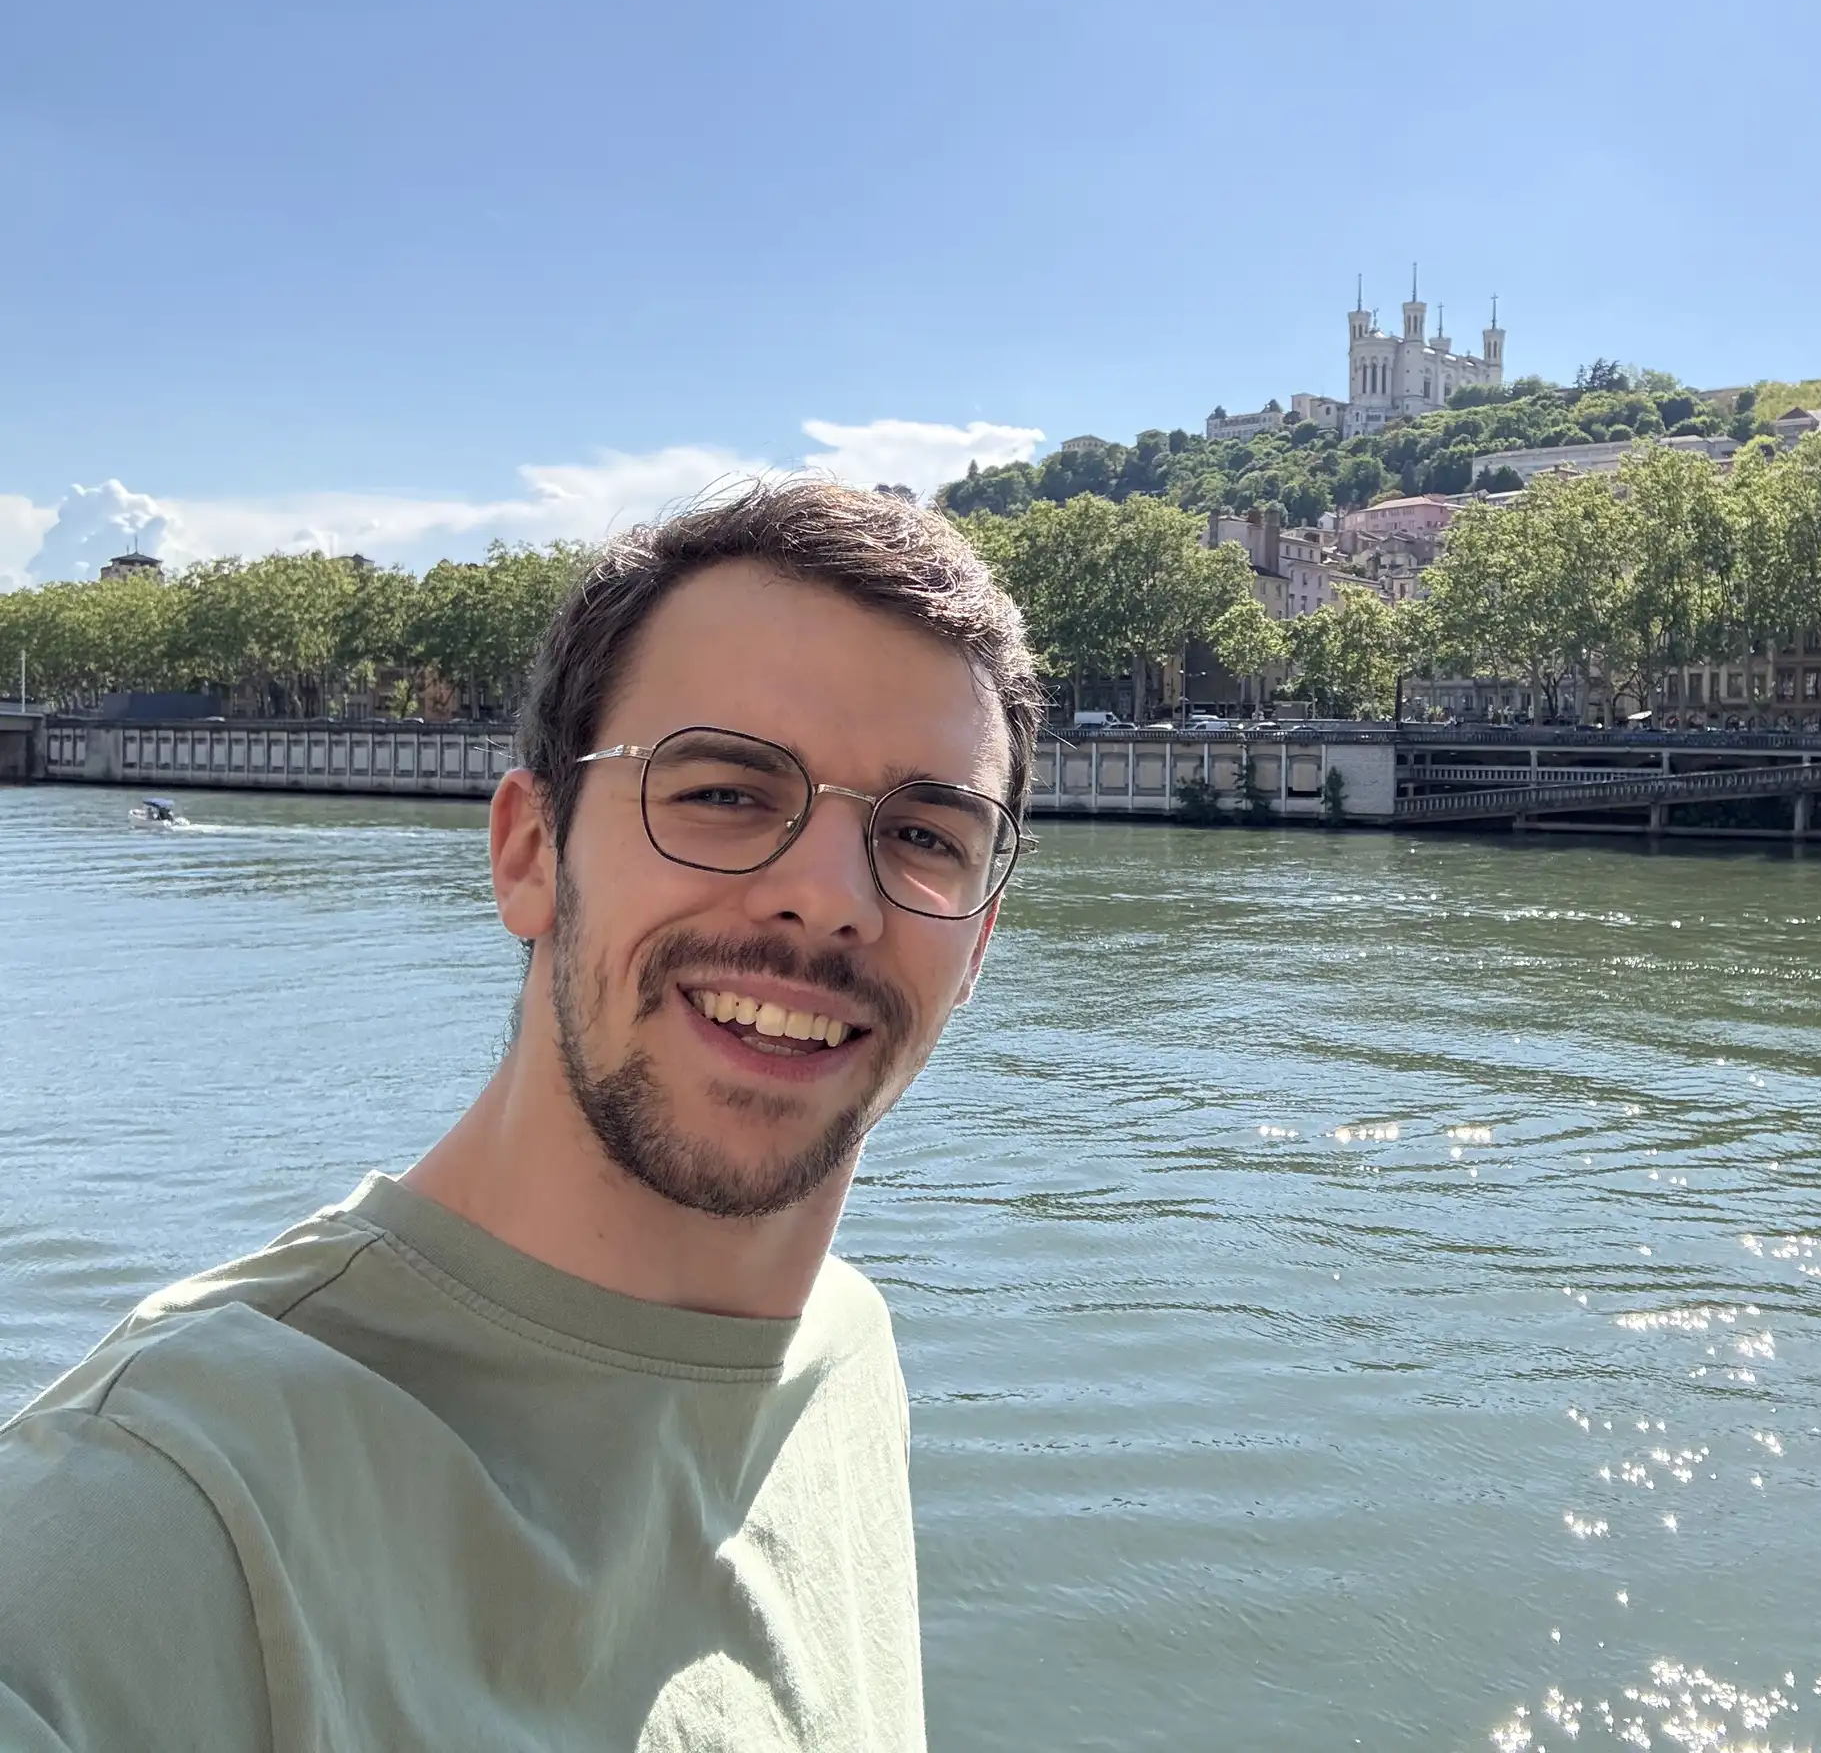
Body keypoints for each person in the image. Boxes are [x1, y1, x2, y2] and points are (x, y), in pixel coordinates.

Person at [0, 481, 1043, 1749]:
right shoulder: (147, 1516)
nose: (828, 897)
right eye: (723, 791)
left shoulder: (847, 1361)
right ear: (529, 854)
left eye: (928, 831)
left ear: (978, 939)